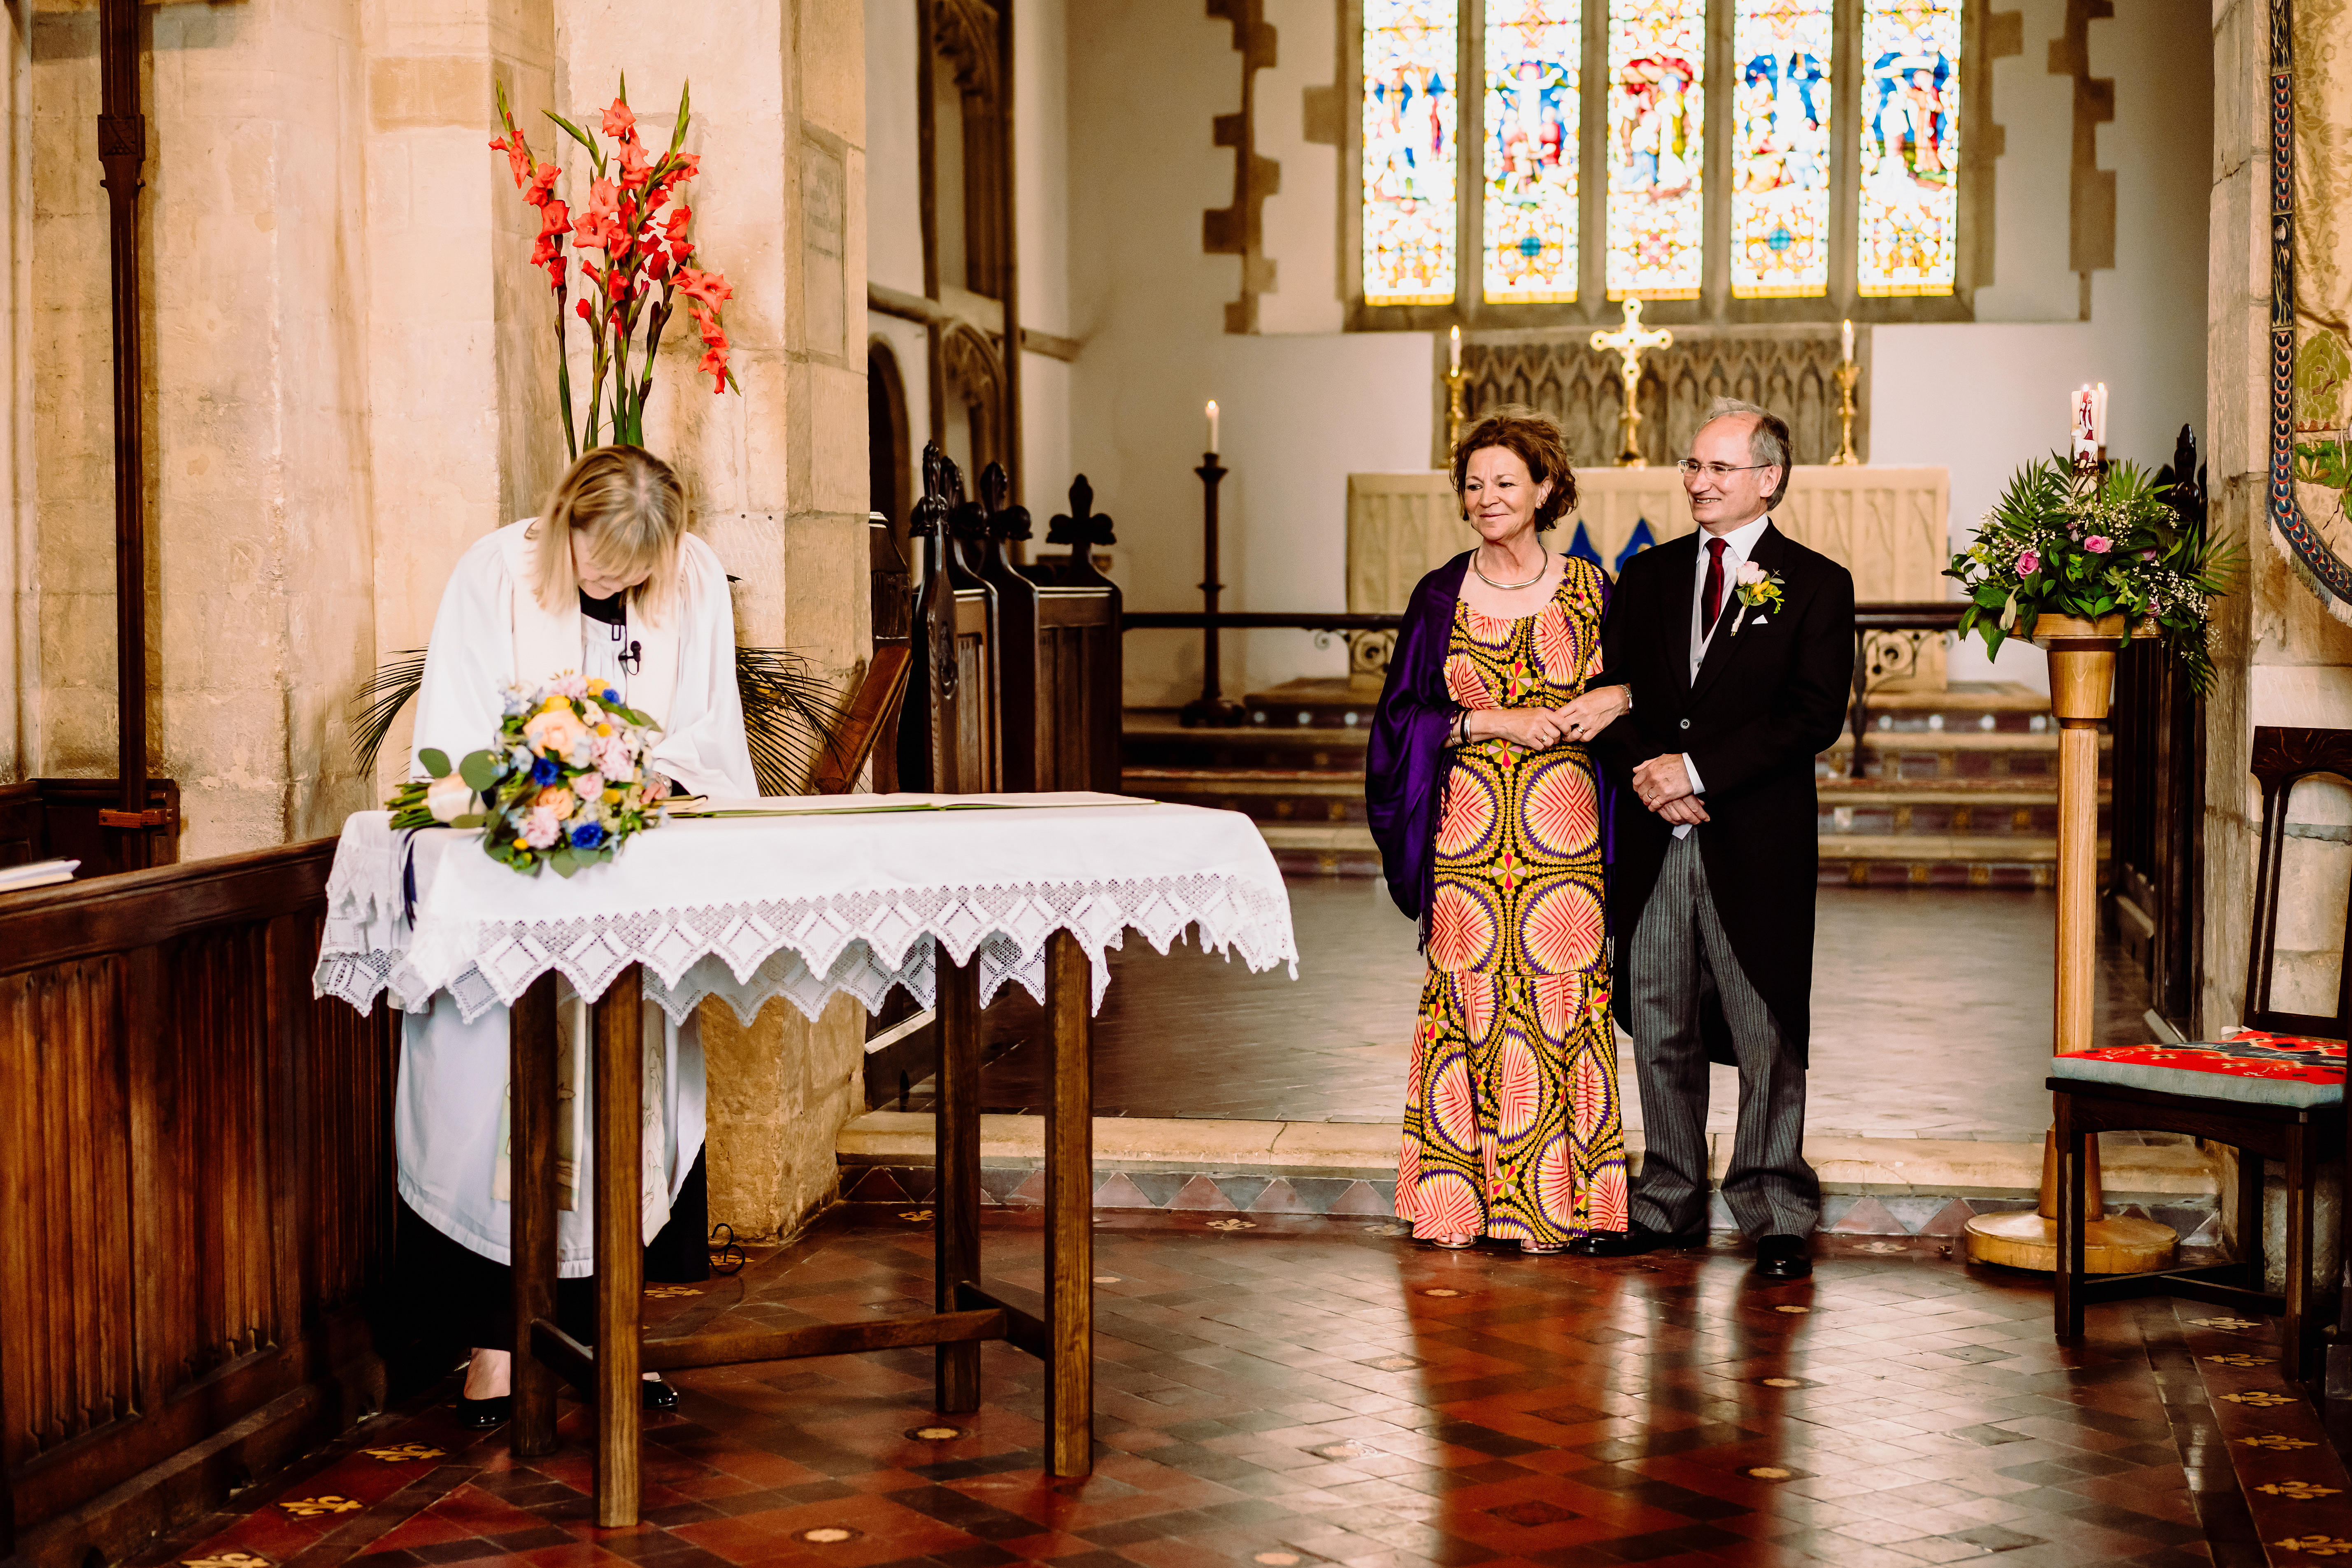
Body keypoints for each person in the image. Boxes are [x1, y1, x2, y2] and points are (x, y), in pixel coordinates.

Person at [399, 445, 758, 1424]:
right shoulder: (495, 572)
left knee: (625, 1105)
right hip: (519, 878)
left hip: (636, 882)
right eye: (603, 565)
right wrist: (543, 777)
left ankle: (615, 1339)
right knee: (493, 1103)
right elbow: (463, 727)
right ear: (565, 523)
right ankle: (492, 1351)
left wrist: (654, 775)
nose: (618, 585)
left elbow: (707, 731)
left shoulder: (690, 584)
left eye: (638, 573)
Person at [1571, 399, 1854, 1281]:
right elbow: (1610, 691)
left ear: (1767, 478)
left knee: (1764, 1024)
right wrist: (1648, 774)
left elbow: (1811, 717)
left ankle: (1773, 1206)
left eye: (1718, 469)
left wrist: (1693, 771)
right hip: (1658, 839)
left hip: (1753, 840)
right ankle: (1666, 1199)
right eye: (1692, 467)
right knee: (1658, 1020)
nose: (1698, 482)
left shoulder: (1814, 583)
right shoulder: (1647, 578)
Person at [1368, 408, 1634, 1254]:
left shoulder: (1594, 592)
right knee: (1471, 998)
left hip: (1567, 835)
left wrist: (1619, 699)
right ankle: (1459, 1204)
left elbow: (1649, 692)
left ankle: (1562, 1205)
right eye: (1473, 484)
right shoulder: (1438, 595)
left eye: (1504, 483)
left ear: (1545, 488)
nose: (1486, 498)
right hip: (1470, 837)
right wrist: (1492, 724)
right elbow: (1398, 721)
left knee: (1562, 1006)